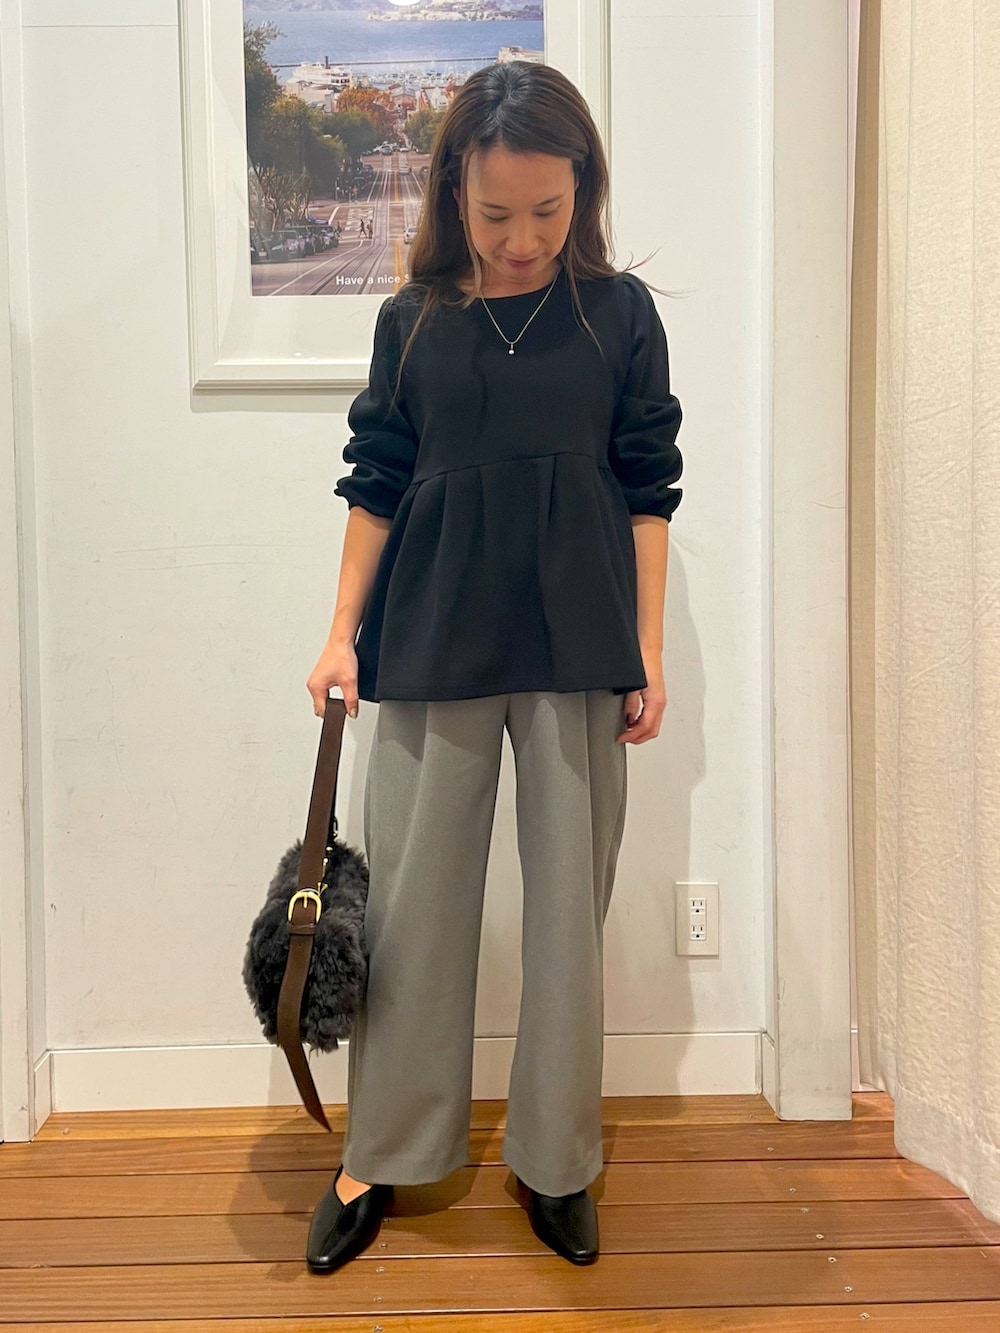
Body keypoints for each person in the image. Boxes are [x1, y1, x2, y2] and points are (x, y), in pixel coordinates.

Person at [304, 60, 682, 1276]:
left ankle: (555, 1157)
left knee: (569, 912)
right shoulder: (412, 319)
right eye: (495, 213)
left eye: (548, 211)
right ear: (451, 194)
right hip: (429, 633)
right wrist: (337, 631)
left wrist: (648, 650)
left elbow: (647, 489)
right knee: (412, 911)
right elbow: (374, 480)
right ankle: (381, 1150)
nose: (522, 239)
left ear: (584, 191)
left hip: (579, 641)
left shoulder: (619, 315)